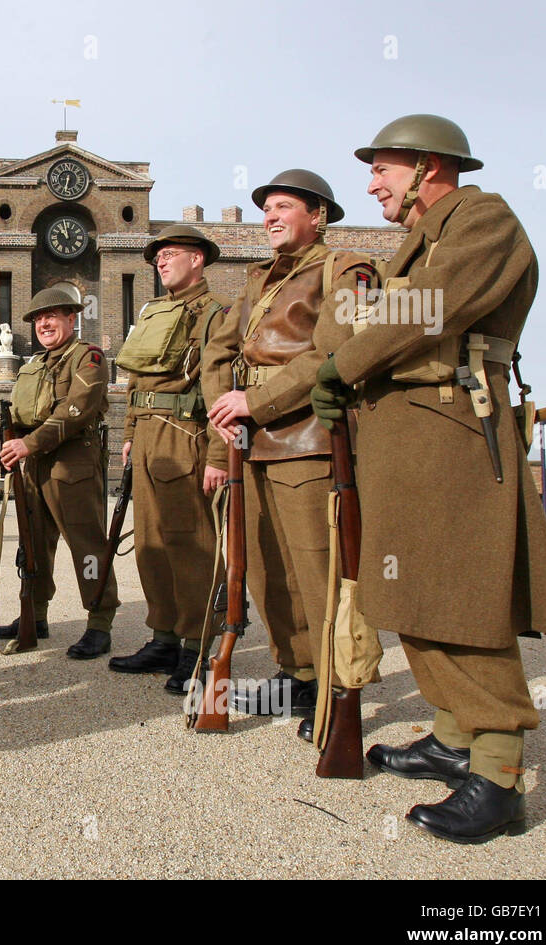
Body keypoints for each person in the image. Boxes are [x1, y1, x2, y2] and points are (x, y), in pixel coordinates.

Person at [312, 115, 546, 843]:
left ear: (430, 166)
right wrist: (350, 346)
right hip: (406, 437)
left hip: (454, 434)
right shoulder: (409, 247)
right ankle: (453, 734)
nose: (371, 183)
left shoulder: (483, 219)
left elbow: (423, 310)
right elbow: (340, 327)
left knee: (463, 598)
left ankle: (497, 774)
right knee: (418, 595)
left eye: (384, 169)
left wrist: (349, 355)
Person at [203, 170, 377, 718]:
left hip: (307, 439)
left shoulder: (346, 270)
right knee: (264, 567)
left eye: (283, 207)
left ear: (318, 214)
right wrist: (221, 408)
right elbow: (217, 350)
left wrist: (258, 401)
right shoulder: (258, 281)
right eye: (267, 209)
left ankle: (337, 687)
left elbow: (332, 350)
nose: (270, 217)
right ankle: (297, 673)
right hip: (249, 443)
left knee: (316, 567)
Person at [108, 225, 229, 688]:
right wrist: (130, 433)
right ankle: (163, 638)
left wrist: (218, 453)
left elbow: (222, 385)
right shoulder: (153, 312)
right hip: (148, 441)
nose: (160, 262)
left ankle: (197, 646)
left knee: (190, 544)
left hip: (187, 436)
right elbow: (136, 381)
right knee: (152, 545)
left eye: (170, 254)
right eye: (157, 257)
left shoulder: (215, 314)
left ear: (197, 259)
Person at [0, 286, 118, 658]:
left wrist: (28, 444)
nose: (44, 323)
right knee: (32, 546)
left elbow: (75, 410)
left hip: (73, 465)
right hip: (31, 466)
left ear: (72, 319)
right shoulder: (32, 365)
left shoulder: (89, 358)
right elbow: (17, 416)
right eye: (37, 319)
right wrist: (8, 449)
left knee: (88, 547)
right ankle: (35, 614)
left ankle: (99, 622)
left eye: (52, 316)